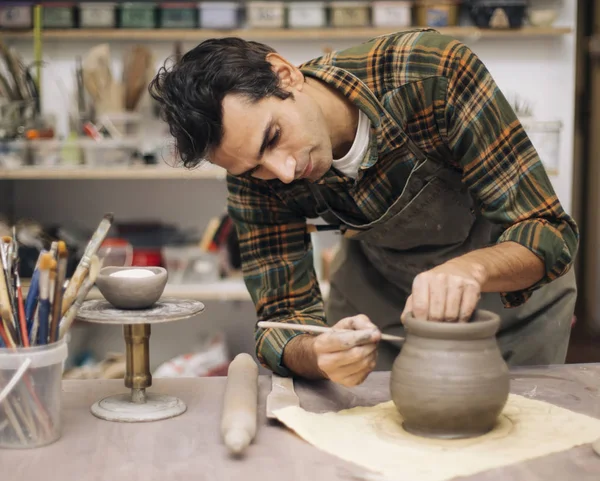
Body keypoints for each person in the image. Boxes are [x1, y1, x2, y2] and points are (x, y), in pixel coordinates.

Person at [149, 28, 579, 388]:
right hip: (381, 306)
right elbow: (280, 321)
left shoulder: (432, 73)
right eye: (254, 168)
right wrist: (317, 354)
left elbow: (547, 229)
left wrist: (471, 270)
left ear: (285, 75)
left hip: (508, 304)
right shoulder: (252, 173)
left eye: (274, 138)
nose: (281, 173)